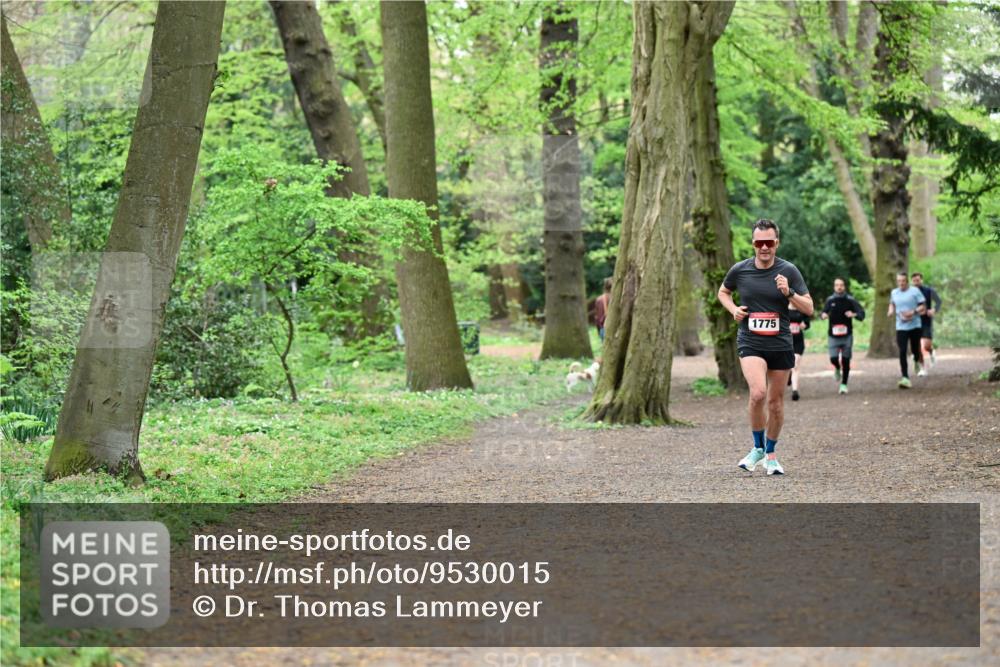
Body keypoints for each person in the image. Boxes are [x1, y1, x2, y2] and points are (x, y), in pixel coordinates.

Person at [718, 219, 812, 476]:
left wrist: (789, 293)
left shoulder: (789, 271)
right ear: (753, 244)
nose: (764, 247)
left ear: (776, 243)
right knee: (758, 393)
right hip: (751, 340)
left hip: (780, 343)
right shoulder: (740, 270)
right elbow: (723, 292)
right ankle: (757, 447)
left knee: (775, 403)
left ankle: (770, 454)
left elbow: (809, 307)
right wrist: (734, 309)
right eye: (759, 243)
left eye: (769, 242)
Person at [820, 277, 866, 395]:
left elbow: (861, 314)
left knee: (846, 360)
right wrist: (824, 315)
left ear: (844, 286)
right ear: (834, 287)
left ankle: (844, 384)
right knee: (833, 358)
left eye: (841, 285)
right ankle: (837, 367)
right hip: (833, 335)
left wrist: (853, 314)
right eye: (837, 285)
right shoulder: (830, 300)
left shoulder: (850, 300)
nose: (839, 287)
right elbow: (823, 313)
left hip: (847, 335)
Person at [888, 272, 926, 388]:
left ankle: (916, 360)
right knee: (902, 350)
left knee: (915, 349)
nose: (901, 283)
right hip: (901, 326)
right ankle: (905, 377)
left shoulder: (915, 291)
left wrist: (913, 312)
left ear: (907, 281)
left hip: (915, 325)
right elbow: (892, 303)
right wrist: (890, 310)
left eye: (903, 281)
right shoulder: (894, 292)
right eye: (899, 281)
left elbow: (923, 306)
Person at [911, 272, 942, 368]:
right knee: (917, 346)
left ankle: (931, 352)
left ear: (922, 280)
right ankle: (922, 368)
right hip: (914, 320)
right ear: (912, 281)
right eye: (914, 281)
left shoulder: (928, 290)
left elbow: (938, 301)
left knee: (926, 346)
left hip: (926, 320)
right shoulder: (909, 292)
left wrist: (933, 310)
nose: (916, 282)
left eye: (918, 280)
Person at [787, 302, 810, 401]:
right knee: (789, 365)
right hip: (785, 342)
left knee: (795, 364)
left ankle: (795, 391)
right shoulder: (782, 307)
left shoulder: (801, 308)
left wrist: (804, 325)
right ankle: (789, 375)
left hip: (798, 341)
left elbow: (807, 323)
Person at [594, 277, 612, 342]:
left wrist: (599, 331)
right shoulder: (616, 299)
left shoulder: (599, 299)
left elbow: (597, 318)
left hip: (603, 328)